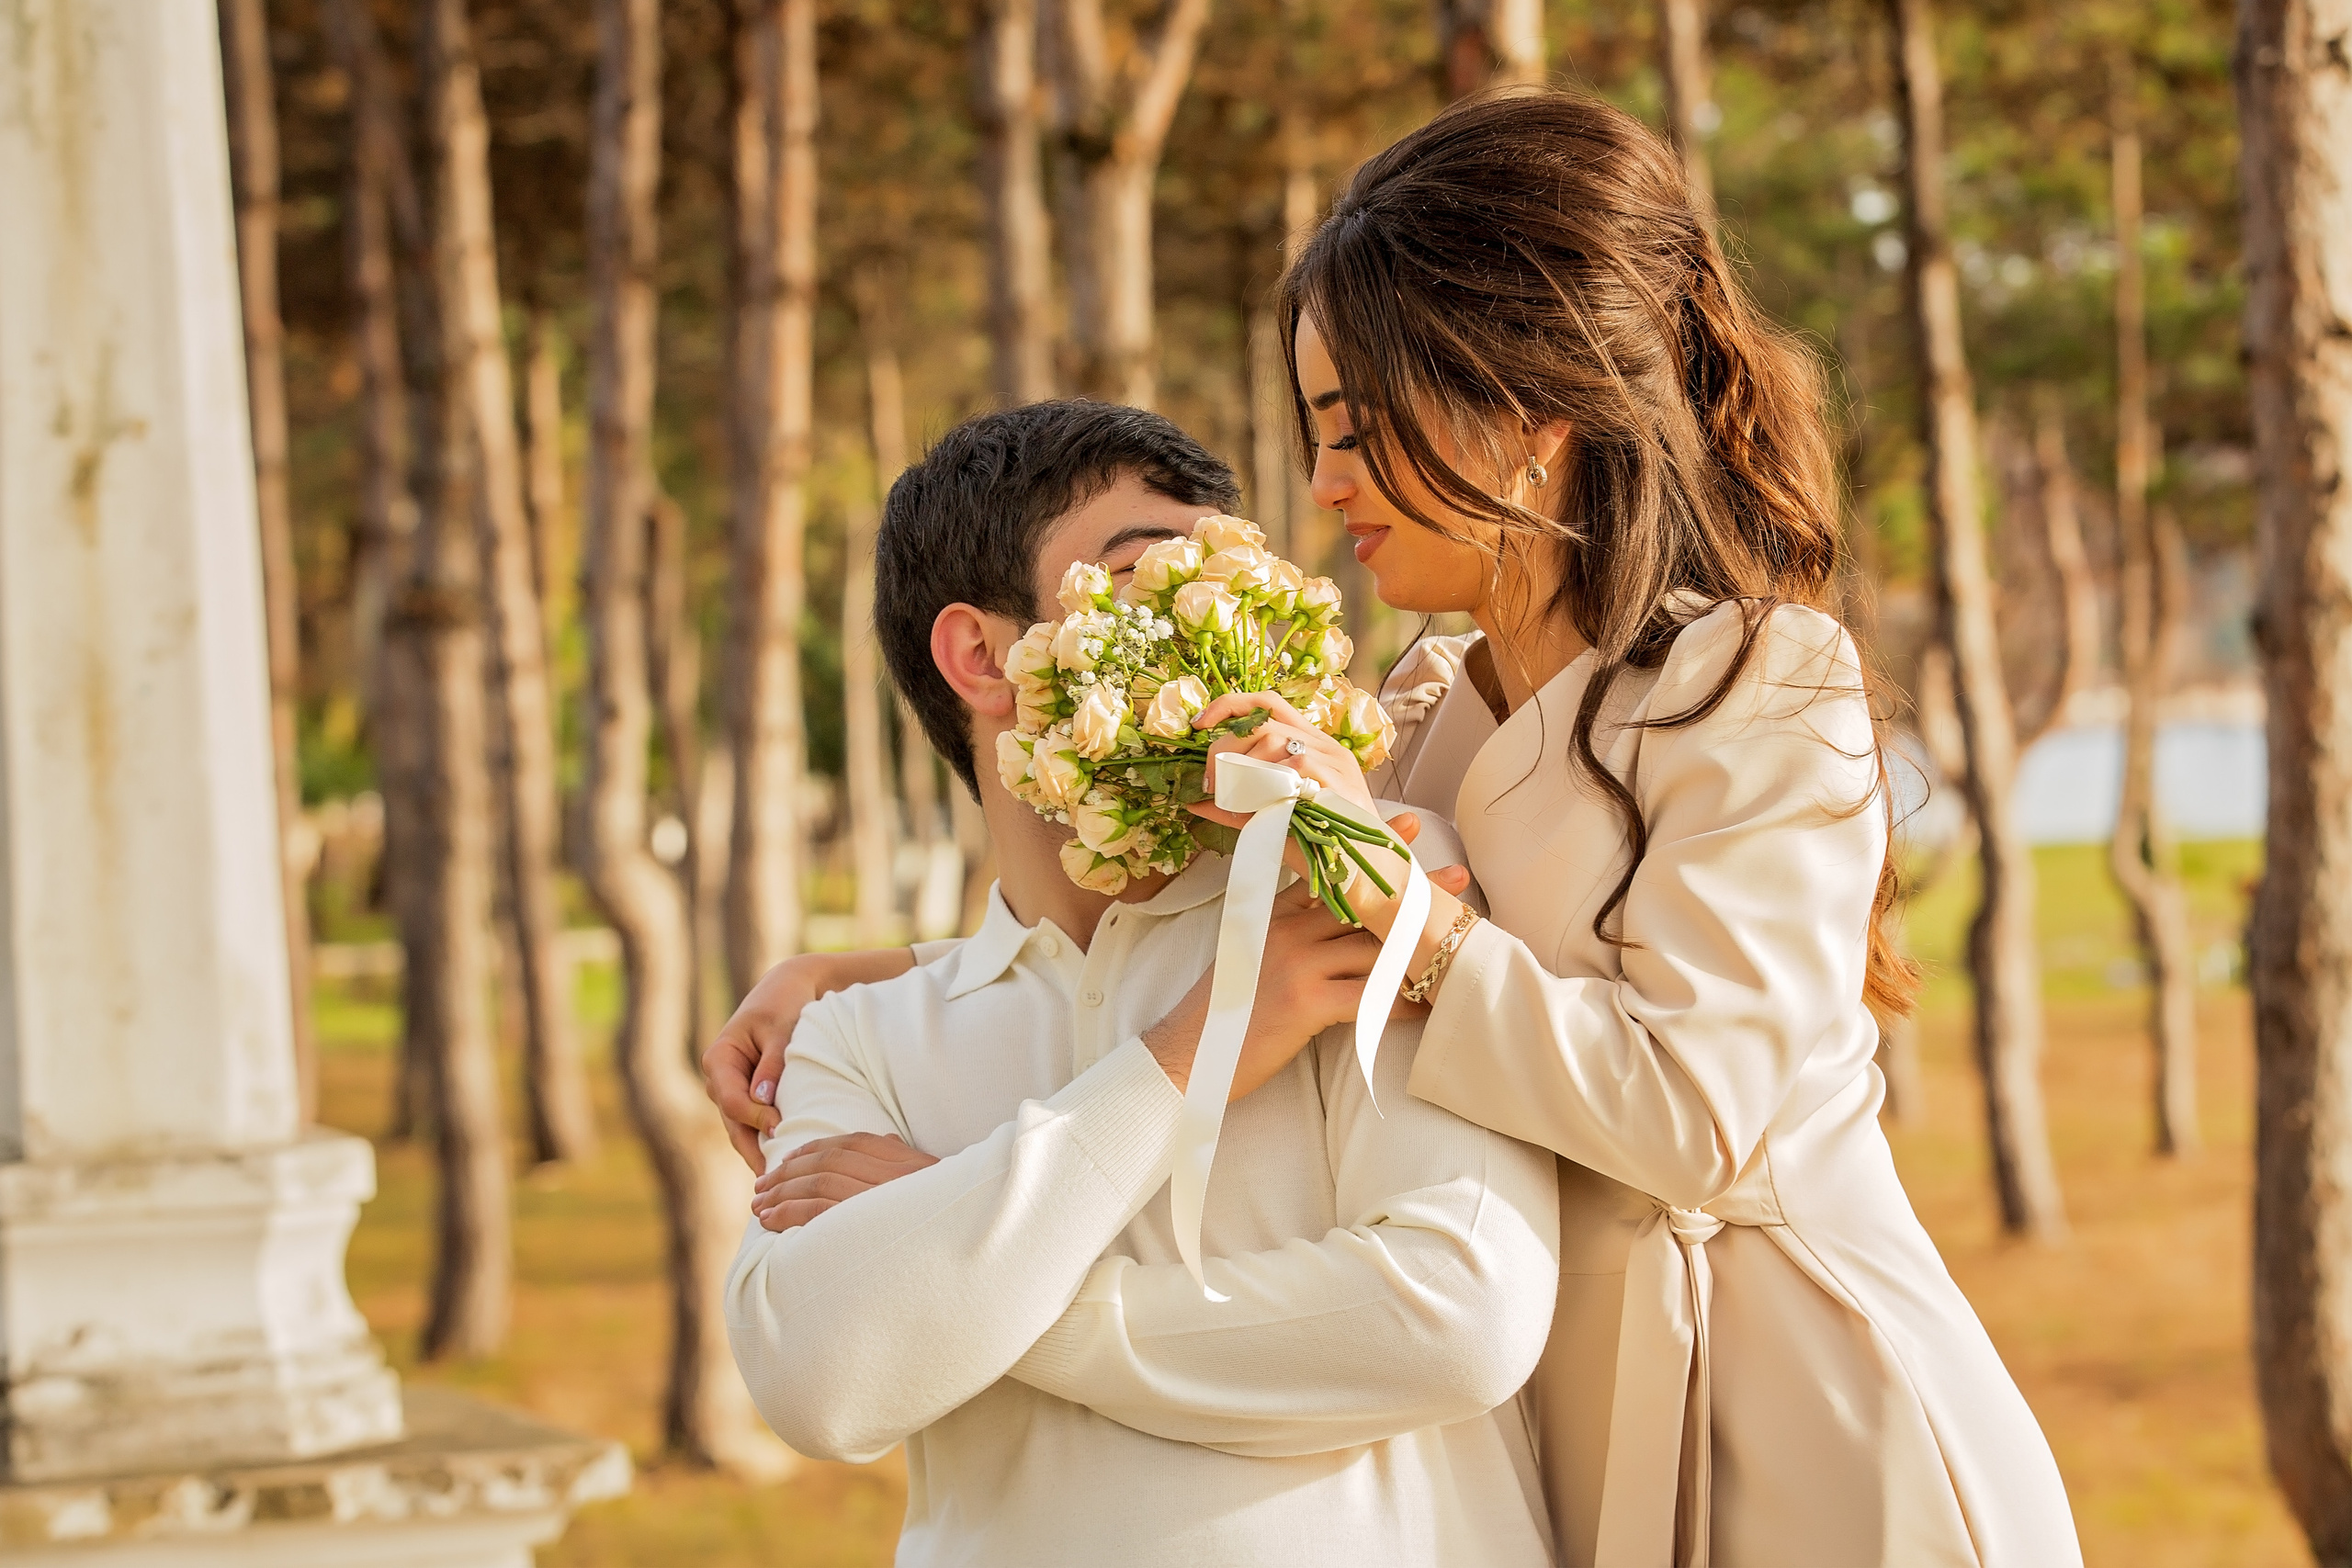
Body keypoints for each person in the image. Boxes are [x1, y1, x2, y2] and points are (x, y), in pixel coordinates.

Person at [1171, 89, 2084, 1568]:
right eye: (1317, 431)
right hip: (1560, 1439)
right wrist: (861, 988)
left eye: (1361, 429)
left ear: (1532, 416)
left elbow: (1693, 1114)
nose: (1325, 482)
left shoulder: (1763, 679)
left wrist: (1402, 909)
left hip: (1817, 1428)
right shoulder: (1414, 716)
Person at [721, 399, 1561, 1568]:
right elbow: (822, 1382)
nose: (1209, 618)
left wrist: (968, 1267)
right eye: (1145, 576)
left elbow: (1461, 1316)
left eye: (1227, 582)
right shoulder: (852, 1034)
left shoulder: (1355, 893)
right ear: (980, 658)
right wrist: (1189, 1052)